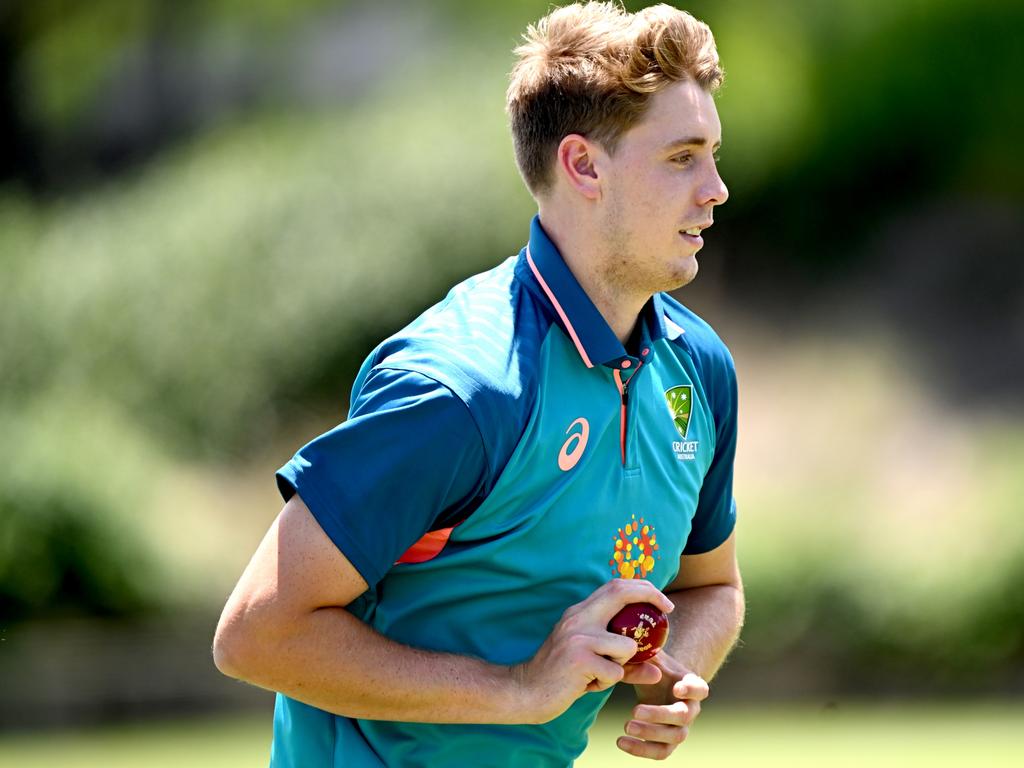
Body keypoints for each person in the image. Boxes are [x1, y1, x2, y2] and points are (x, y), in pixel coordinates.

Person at [213, 2, 744, 765]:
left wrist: (676, 667)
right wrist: (521, 690)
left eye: (712, 154)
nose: (716, 187)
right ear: (583, 166)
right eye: (682, 157)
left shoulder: (700, 369)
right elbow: (257, 633)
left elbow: (714, 589)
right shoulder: (460, 391)